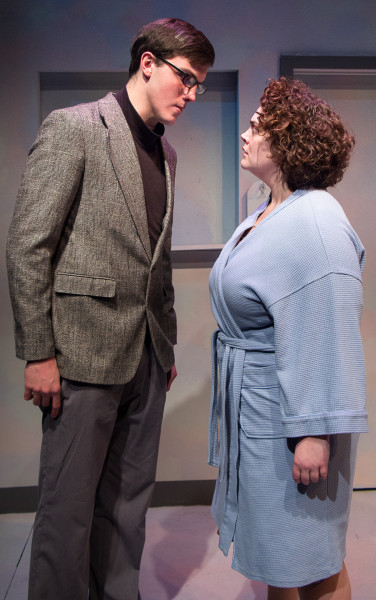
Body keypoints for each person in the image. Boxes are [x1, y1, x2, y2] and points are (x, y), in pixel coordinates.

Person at [6, 18, 214, 600]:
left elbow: (157, 261)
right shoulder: (74, 127)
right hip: (81, 355)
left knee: (127, 506)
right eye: (186, 78)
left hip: (147, 359)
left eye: (198, 85)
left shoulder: (166, 153)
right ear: (148, 62)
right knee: (67, 510)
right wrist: (38, 354)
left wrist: (164, 345)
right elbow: (28, 246)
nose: (191, 94)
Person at [208, 77, 367, 600]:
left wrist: (314, 432)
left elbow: (330, 329)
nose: (246, 133)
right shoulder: (269, 210)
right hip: (262, 411)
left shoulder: (316, 220)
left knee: (313, 557)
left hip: (294, 419)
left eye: (258, 127)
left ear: (288, 143)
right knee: (280, 556)